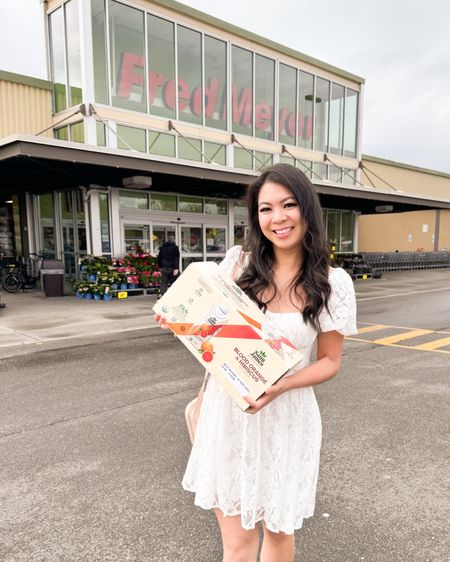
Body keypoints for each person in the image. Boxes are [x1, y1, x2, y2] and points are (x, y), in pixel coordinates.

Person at [155, 164, 357, 561]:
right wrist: (178, 315)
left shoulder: (333, 283)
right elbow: (209, 327)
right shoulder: (238, 265)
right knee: (237, 543)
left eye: (288, 205)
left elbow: (330, 361)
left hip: (287, 420)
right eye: (266, 209)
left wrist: (280, 385)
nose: (277, 218)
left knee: (279, 536)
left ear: (307, 210)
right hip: (229, 415)